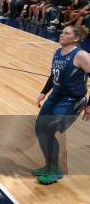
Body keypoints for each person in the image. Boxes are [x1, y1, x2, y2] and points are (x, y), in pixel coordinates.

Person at [34, 26, 89, 185]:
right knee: (40, 129)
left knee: (48, 129)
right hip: (55, 96)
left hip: (72, 99)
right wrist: (44, 92)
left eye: (67, 33)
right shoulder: (57, 52)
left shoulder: (81, 55)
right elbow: (54, 75)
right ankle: (49, 166)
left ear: (76, 38)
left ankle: (54, 170)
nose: (62, 34)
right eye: (62, 32)